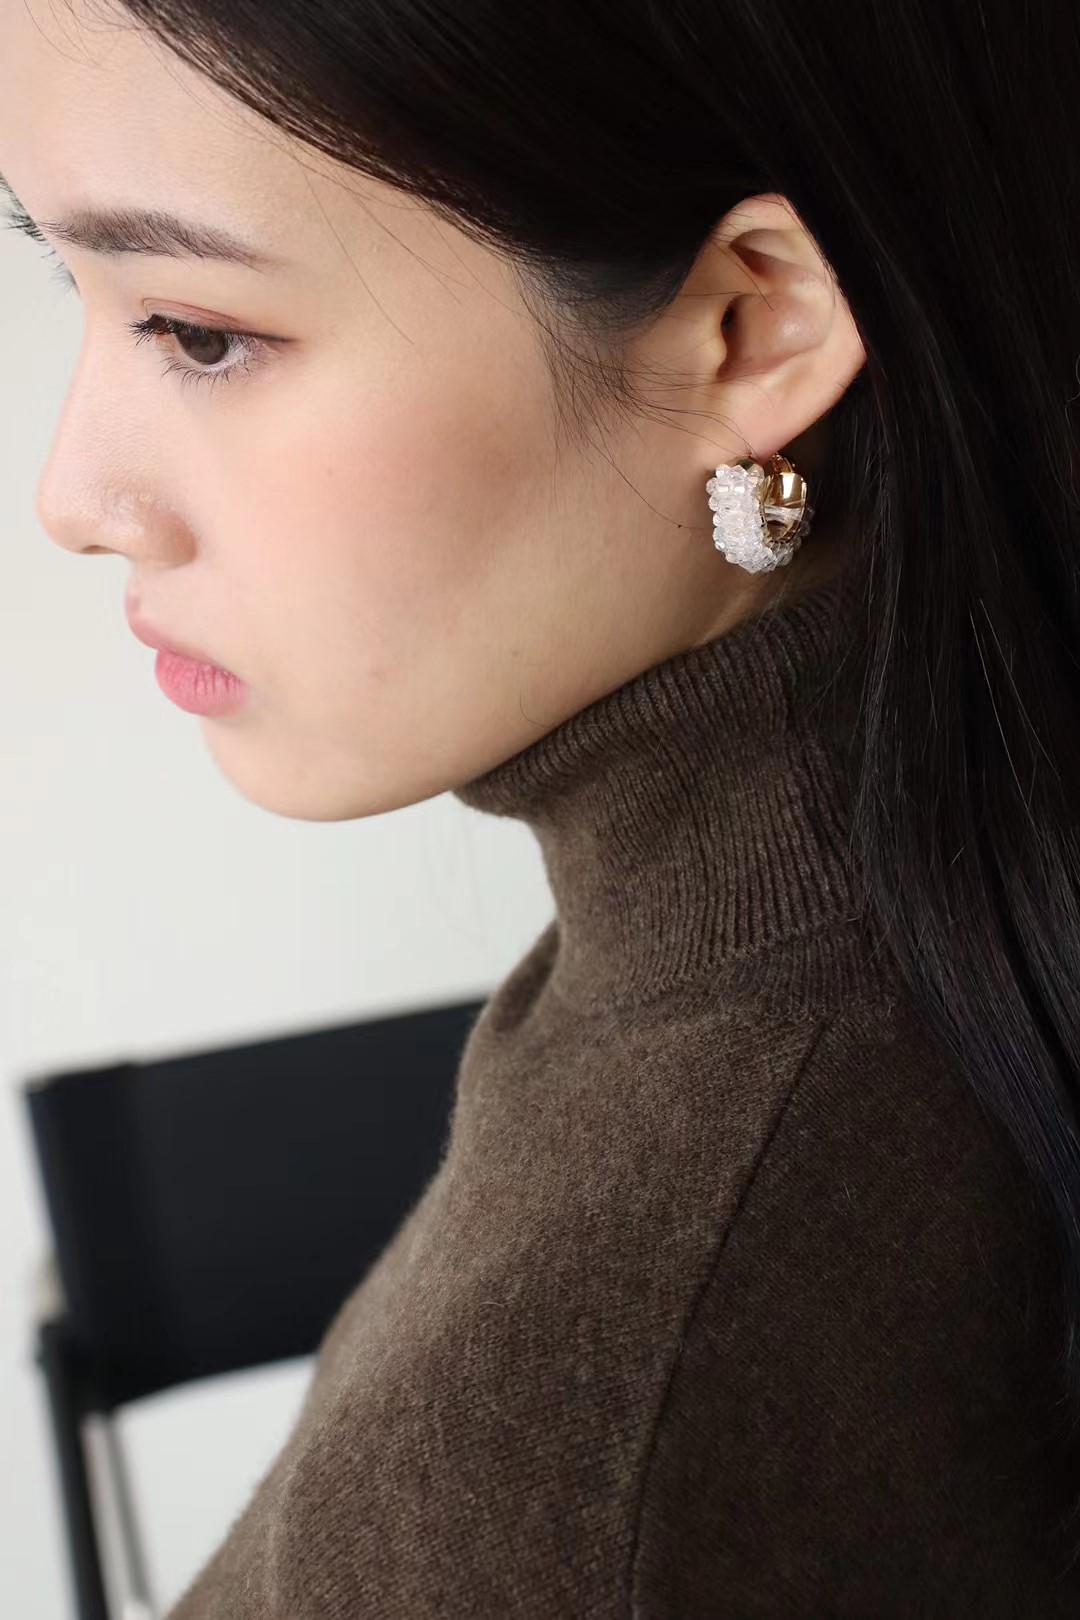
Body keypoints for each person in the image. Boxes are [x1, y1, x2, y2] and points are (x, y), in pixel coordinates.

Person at [4, 0, 1080, 1613]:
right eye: (59, 274)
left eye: (199, 333)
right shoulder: (926, 907)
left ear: (755, 328)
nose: (75, 500)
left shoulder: (559, 1484)